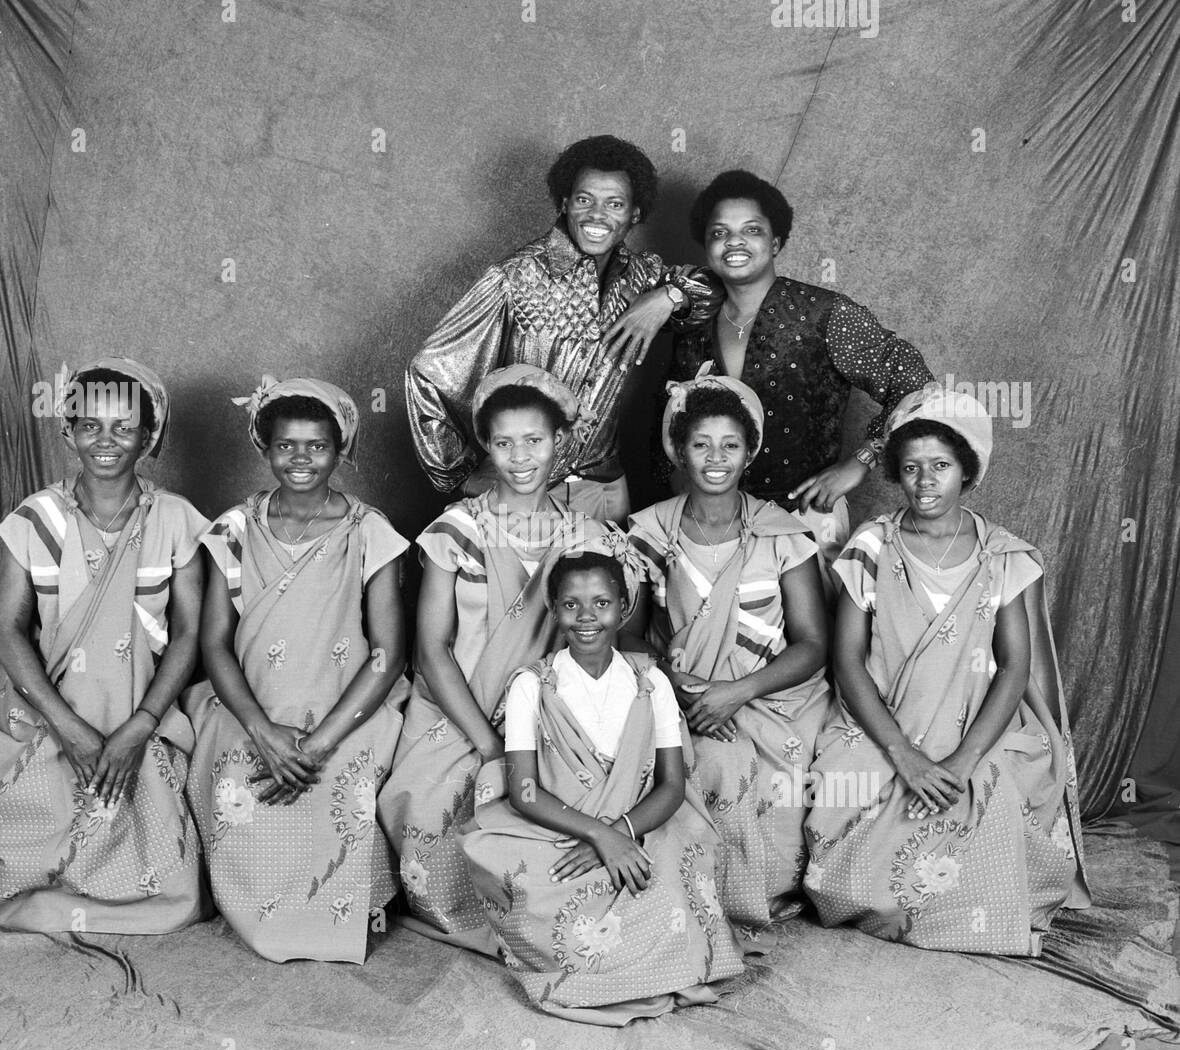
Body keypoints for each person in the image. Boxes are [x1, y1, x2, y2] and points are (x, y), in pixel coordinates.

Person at [803, 387, 1091, 953]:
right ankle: (901, 901)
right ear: (895, 476)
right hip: (882, 724)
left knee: (992, 787)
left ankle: (957, 905)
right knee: (851, 789)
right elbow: (847, 662)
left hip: (976, 727)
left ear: (967, 471)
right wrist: (905, 756)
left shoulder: (1004, 555)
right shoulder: (871, 546)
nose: (925, 481)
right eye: (910, 469)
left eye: (940, 466)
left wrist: (960, 760)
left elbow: (1013, 668)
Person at [0, 358, 209, 932]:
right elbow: (8, 628)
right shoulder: (34, 518)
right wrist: (69, 728)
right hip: (48, 707)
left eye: (123, 427)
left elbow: (191, 632)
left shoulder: (177, 519)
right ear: (68, 432)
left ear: (150, 435)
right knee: (31, 802)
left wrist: (139, 726)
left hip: (143, 706)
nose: (106, 441)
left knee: (169, 864)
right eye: (90, 425)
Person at [378, 366, 632, 953]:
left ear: (560, 444)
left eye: (535, 441)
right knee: (437, 821)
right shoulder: (455, 529)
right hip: (455, 712)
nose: (520, 457)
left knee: (568, 831)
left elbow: (605, 648)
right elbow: (430, 650)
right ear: (485, 447)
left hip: (547, 718)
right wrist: (493, 746)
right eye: (503, 442)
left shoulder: (586, 535)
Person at [456, 552, 745, 1025]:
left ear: (625, 607)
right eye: (571, 605)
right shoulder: (531, 684)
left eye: (602, 603)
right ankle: (630, 972)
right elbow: (524, 792)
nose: (586, 617)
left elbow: (672, 786)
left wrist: (622, 832)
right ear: (552, 611)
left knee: (667, 881)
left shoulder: (651, 680)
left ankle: (628, 971)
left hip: (641, 820)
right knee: (538, 886)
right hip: (555, 825)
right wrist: (601, 837)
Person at [185, 376, 409, 963]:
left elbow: (388, 652)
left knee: (343, 784)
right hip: (248, 701)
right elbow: (214, 644)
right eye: (286, 445)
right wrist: (264, 731)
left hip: (346, 701)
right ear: (264, 448)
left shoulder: (370, 531)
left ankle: (337, 913)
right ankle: (259, 909)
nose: (302, 458)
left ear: (341, 452)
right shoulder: (233, 530)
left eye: (318, 445)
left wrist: (319, 743)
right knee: (239, 779)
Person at [405, 134, 718, 521]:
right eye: (584, 200)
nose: (597, 215)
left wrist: (668, 296)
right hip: (526, 489)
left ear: (635, 214)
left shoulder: (643, 276)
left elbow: (714, 289)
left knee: (607, 581)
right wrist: (460, 474)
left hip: (604, 489)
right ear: (565, 203)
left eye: (615, 204)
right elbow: (427, 372)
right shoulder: (516, 276)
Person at [628, 369, 829, 934]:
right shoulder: (648, 533)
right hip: (682, 692)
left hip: (773, 698)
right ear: (679, 450)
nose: (716, 458)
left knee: (778, 787)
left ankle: (745, 895)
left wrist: (737, 692)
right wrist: (681, 689)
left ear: (750, 452)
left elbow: (813, 644)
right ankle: (685, 896)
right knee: (688, 769)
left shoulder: (783, 533)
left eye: (730, 445)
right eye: (701, 444)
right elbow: (630, 632)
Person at [662, 168, 936, 563]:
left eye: (751, 230)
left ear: (775, 242)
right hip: (711, 520)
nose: (734, 241)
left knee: (810, 625)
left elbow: (915, 383)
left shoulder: (825, 314)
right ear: (706, 245)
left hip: (806, 517)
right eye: (719, 232)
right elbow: (671, 420)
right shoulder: (694, 321)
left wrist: (861, 461)